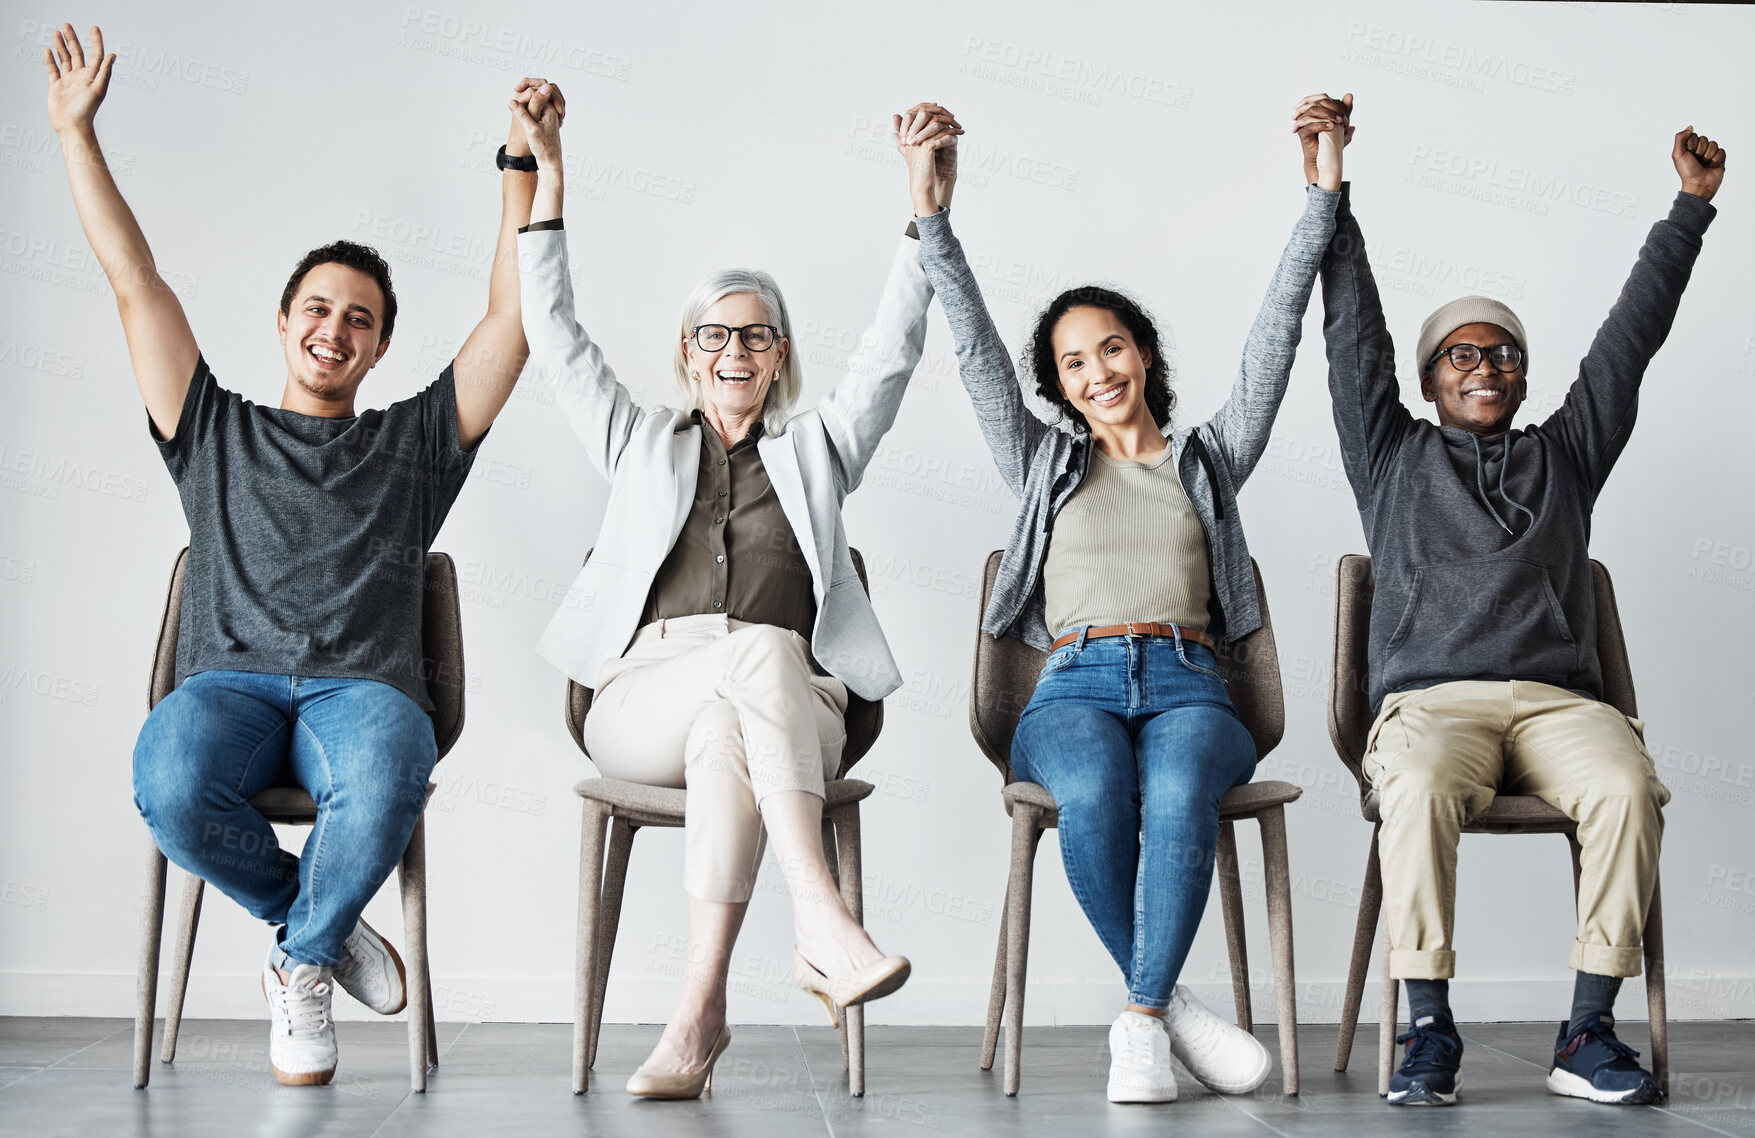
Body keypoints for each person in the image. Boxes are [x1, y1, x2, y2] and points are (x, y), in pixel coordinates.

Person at [45, 21, 557, 1086]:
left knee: (386, 776)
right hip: (225, 685)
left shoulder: (412, 443)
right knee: (169, 778)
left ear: (379, 344)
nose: (335, 328)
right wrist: (75, 136)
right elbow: (134, 279)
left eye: (359, 319)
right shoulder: (213, 427)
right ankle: (318, 927)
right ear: (283, 322)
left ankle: (301, 958)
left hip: (360, 691)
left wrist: (525, 168)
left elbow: (515, 315)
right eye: (318, 308)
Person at [512, 98, 957, 1099]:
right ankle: (819, 917)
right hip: (642, 698)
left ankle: (696, 1018)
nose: (735, 352)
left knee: (735, 717)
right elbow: (556, 333)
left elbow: (891, 350)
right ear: (687, 353)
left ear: (781, 357)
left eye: (757, 337)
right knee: (749, 659)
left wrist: (922, 210)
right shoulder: (638, 446)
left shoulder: (819, 452)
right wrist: (549, 175)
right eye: (713, 335)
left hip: (788, 708)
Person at [907, 100, 1346, 1103]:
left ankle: (1142, 1019)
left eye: (1110, 348)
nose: (1096, 371)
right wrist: (934, 219)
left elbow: (1274, 342)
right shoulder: (1043, 466)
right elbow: (976, 353)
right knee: (1097, 795)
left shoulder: (1208, 459)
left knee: (1184, 788)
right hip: (1071, 685)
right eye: (1072, 362)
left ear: (1142, 353)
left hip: (1194, 681)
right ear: (1060, 387)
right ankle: (1169, 1009)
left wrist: (1320, 199)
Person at [1310, 90, 1725, 1106]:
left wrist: (1689, 211)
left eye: (1502, 354)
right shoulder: (1394, 455)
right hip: (1431, 705)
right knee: (1411, 789)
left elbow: (1630, 342)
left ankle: (1587, 1029)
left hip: (1558, 703)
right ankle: (1429, 1034)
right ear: (1431, 378)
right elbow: (1350, 328)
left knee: (1628, 786)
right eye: (1464, 353)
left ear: (1524, 376)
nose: (1485, 365)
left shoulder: (1566, 456)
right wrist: (1331, 191)